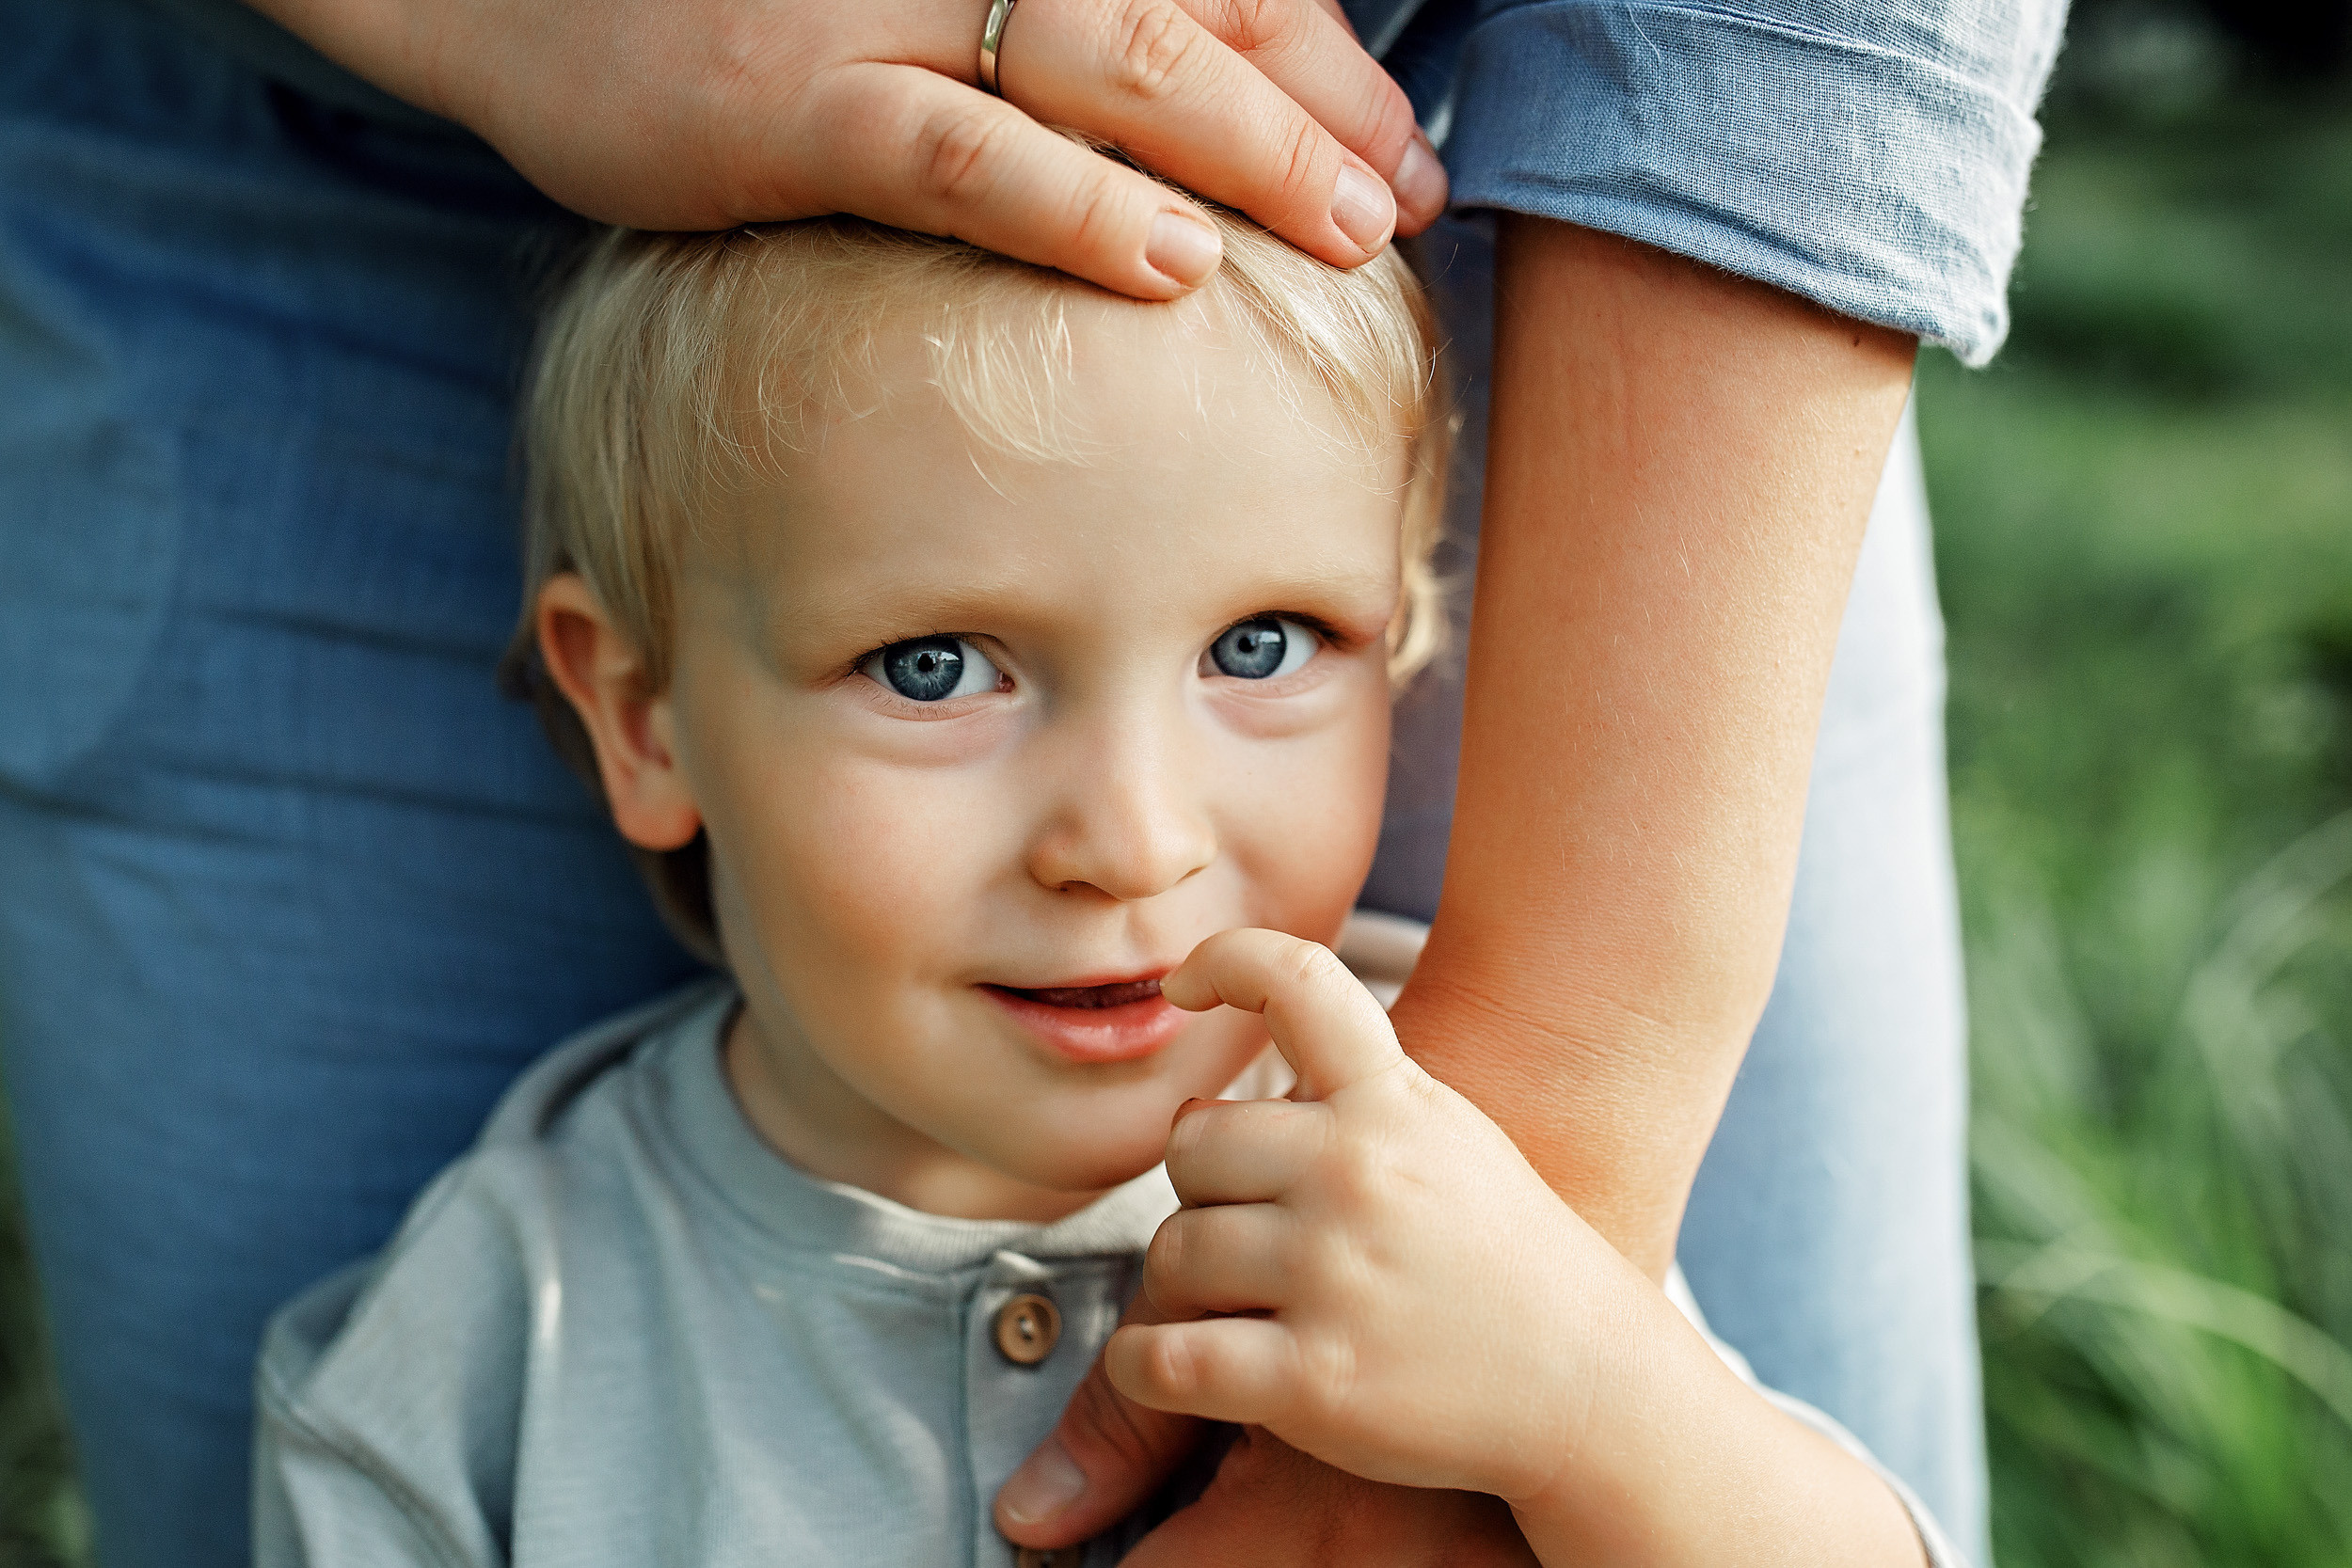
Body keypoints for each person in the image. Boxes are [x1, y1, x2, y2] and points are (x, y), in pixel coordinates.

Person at [0, 0, 2061, 1562]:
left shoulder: (1449, 1201)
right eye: (936, 667)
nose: (1132, 844)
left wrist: (1603, 1413)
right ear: (634, 716)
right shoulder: (471, 1358)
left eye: (1262, 647)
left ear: (1407, 622)